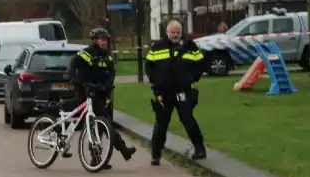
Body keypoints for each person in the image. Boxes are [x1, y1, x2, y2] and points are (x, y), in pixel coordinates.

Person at [64, 27, 137, 168]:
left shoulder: (107, 56)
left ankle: (97, 160)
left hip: (103, 93)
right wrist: (71, 77)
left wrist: (106, 86)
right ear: (95, 40)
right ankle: (123, 150)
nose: (104, 42)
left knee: (103, 127)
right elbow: (72, 65)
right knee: (104, 123)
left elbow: (111, 74)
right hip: (87, 92)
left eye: (105, 40)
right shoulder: (86, 53)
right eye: (102, 39)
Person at [144, 19, 206, 165]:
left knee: (188, 119)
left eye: (178, 32)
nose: (176, 34)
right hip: (164, 91)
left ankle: (200, 149)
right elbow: (149, 66)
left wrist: (191, 78)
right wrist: (156, 80)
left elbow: (200, 63)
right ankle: (156, 154)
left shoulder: (190, 46)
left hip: (183, 90)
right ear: (167, 32)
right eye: (173, 32)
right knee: (161, 123)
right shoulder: (157, 46)